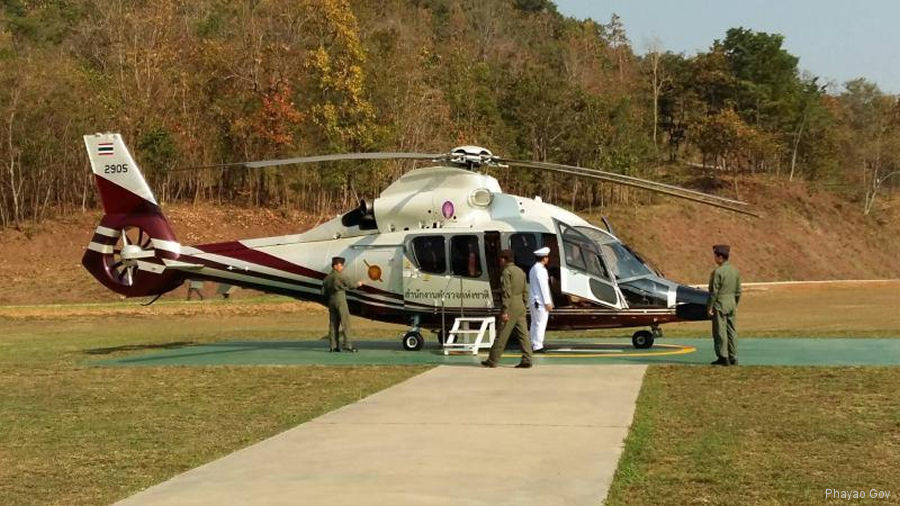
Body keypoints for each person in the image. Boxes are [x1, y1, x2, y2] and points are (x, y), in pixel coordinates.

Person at [482, 250, 532, 368]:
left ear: (504, 259)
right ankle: (527, 358)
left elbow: (506, 293)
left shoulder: (506, 272)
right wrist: (523, 304)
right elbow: (526, 291)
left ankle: (493, 359)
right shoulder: (521, 272)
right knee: (523, 334)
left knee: (502, 333)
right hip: (520, 305)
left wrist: (505, 310)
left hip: (511, 305)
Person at [707, 244, 742, 366]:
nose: (714, 258)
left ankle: (723, 356)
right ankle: (733, 356)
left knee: (720, 331)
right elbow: (738, 291)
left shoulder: (717, 272)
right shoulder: (735, 271)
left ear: (720, 257)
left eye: (715, 256)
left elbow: (713, 292)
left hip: (720, 304)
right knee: (732, 330)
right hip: (731, 302)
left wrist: (710, 307)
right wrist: (735, 303)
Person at [322, 256, 363, 352]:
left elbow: (323, 292)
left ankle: (333, 346)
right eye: (340, 265)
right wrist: (359, 284)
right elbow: (351, 285)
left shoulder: (327, 278)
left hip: (331, 300)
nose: (342, 267)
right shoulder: (341, 276)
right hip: (340, 299)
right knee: (345, 323)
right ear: (335, 266)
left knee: (333, 324)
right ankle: (348, 345)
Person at [529, 246, 554, 353]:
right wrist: (548, 302)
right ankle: (538, 345)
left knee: (535, 323)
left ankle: (534, 343)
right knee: (540, 323)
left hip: (534, 301)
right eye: (547, 257)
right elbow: (544, 287)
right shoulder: (541, 270)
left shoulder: (533, 269)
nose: (547, 259)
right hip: (540, 302)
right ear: (544, 258)